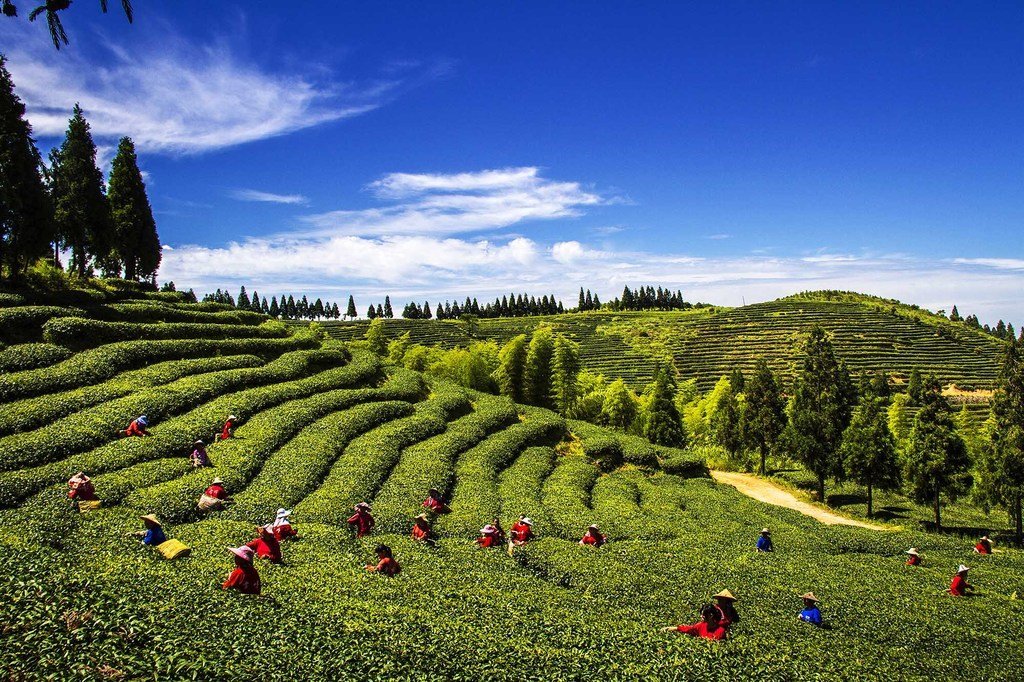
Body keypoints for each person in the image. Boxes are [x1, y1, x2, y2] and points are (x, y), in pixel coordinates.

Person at [660, 604, 728, 640]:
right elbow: (689, 629)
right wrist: (672, 628)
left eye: (704, 615)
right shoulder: (701, 625)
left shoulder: (720, 630)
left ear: (710, 615)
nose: (701, 617)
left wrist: (700, 640)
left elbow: (713, 643)